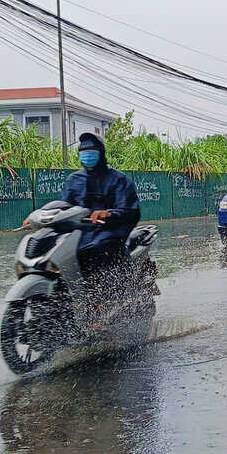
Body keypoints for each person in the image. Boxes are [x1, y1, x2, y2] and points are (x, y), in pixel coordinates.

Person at [61, 132, 141, 320]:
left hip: (109, 232)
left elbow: (131, 210)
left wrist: (109, 213)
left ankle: (102, 305)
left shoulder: (118, 180)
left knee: (96, 249)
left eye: (91, 152)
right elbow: (63, 206)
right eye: (83, 152)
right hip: (80, 233)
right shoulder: (74, 180)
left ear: (101, 153)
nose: (87, 156)